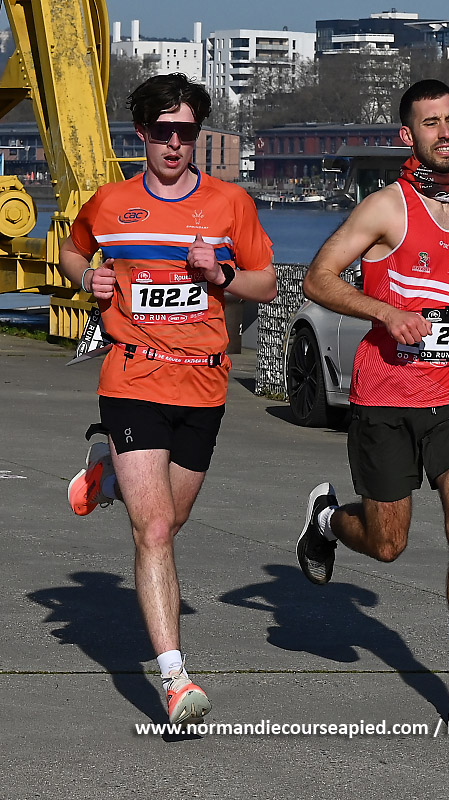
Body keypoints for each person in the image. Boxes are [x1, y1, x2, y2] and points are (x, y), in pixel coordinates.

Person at [59, 73, 276, 725]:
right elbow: (71, 251)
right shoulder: (111, 203)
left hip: (203, 385)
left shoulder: (230, 203)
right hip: (133, 378)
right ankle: (177, 680)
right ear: (142, 134)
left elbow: (266, 283)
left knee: (169, 523)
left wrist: (221, 274)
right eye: (163, 131)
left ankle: (108, 475)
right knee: (153, 530)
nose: (175, 144)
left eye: (186, 132)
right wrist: (89, 278)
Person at [296, 79, 449, 727]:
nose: (445, 132)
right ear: (407, 135)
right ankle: (327, 522)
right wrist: (384, 312)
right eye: (431, 123)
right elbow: (318, 279)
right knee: (387, 542)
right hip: (386, 397)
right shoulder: (385, 209)